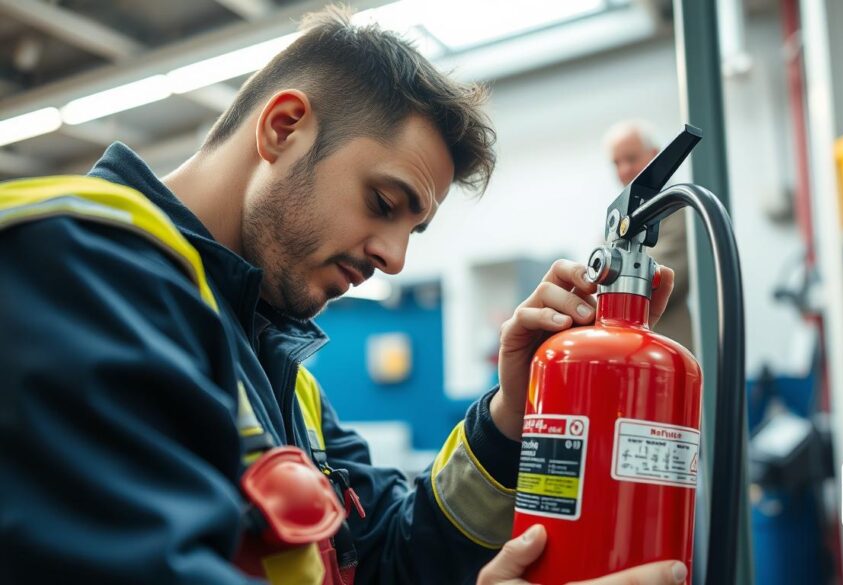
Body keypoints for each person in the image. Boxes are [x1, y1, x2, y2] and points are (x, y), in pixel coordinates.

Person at [0, 6, 685, 585]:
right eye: (385, 202)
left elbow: (390, 554)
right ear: (283, 127)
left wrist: (510, 413)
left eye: (414, 227)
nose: (393, 257)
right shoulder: (74, 267)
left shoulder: (276, 371)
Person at [604, 120, 694, 350]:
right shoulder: (619, 219)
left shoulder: (676, 209)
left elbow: (662, 277)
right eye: (617, 163)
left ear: (655, 155)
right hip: (626, 345)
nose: (623, 170)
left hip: (664, 346)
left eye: (631, 159)